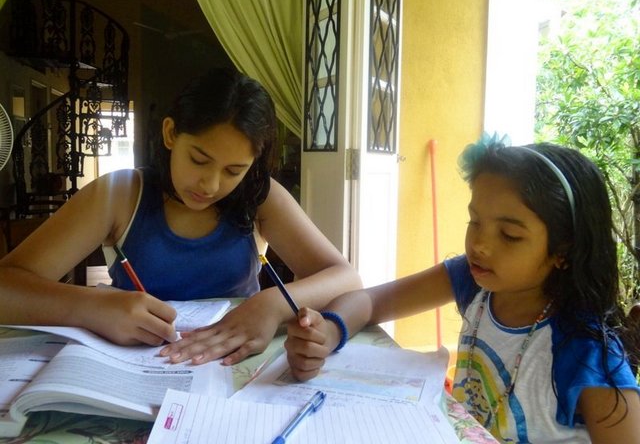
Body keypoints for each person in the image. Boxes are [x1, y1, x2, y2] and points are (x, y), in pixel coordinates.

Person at [284, 135, 640, 442]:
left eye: (509, 235)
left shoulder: (586, 354)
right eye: (474, 221)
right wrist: (329, 331)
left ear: (563, 250)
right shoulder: (474, 282)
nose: (480, 244)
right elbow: (370, 300)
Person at [0, 67, 361, 366]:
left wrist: (271, 305)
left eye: (233, 170)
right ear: (171, 133)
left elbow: (346, 278)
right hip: (135, 367)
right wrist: (91, 307)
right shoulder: (120, 194)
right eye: (199, 160)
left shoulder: (259, 196)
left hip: (235, 367)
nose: (211, 184)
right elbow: (7, 287)